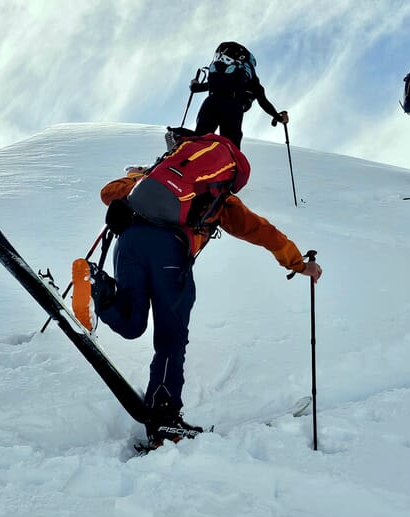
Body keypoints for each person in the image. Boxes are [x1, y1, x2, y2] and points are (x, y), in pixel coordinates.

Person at [71, 143, 321, 449]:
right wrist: (298, 263)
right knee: (170, 338)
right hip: (170, 254)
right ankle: (164, 416)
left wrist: (140, 178)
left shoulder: (148, 181)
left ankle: (96, 283)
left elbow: (107, 193)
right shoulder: (221, 202)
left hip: (130, 243)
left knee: (132, 322)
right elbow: (263, 231)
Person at [190, 41, 288, 148]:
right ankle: (227, 162)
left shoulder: (221, 80)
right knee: (230, 147)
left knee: (200, 139)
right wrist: (279, 117)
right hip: (233, 108)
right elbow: (264, 103)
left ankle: (182, 150)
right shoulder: (252, 82)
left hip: (211, 102)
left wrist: (194, 85)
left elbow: (196, 88)